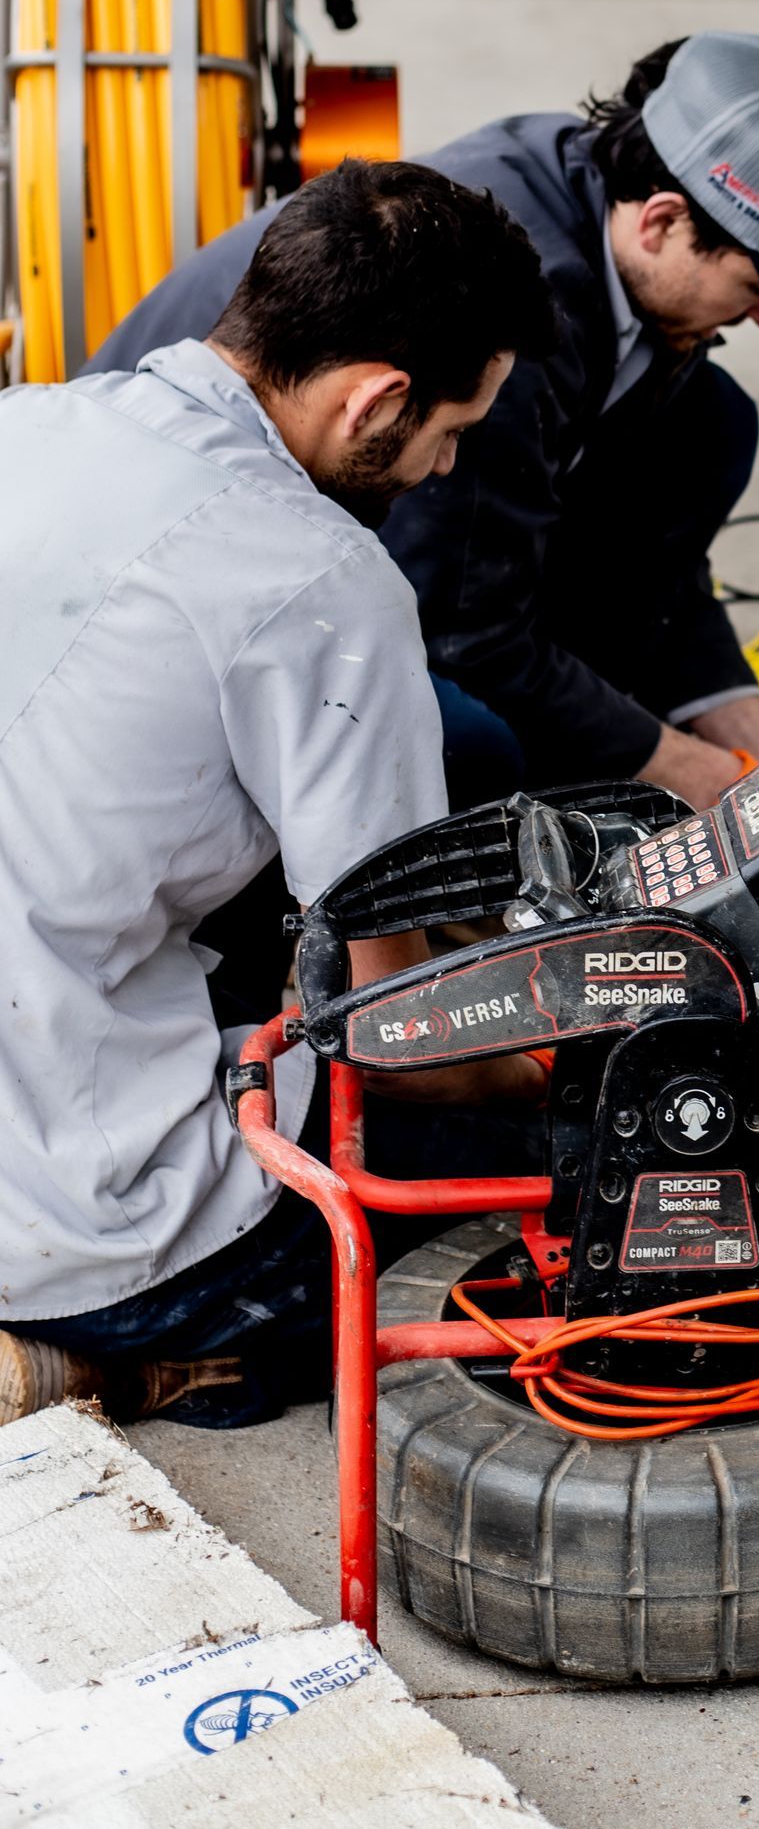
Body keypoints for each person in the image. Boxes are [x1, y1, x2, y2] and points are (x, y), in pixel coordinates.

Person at [0, 159, 555, 1430]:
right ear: (377, 401)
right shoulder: (320, 582)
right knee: (559, 1176)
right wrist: (549, 1066)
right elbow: (398, 1037)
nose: (443, 472)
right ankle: (118, 1366)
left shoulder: (23, 425)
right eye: (450, 435)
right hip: (78, 1236)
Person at [91, 30, 759, 815]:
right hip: (163, 560)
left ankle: (593, 752)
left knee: (709, 425)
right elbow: (462, 633)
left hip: (381, 507)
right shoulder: (509, 333)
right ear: (661, 221)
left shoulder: (587, 177)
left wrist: (741, 717)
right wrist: (675, 763)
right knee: (474, 747)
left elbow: (655, 566)